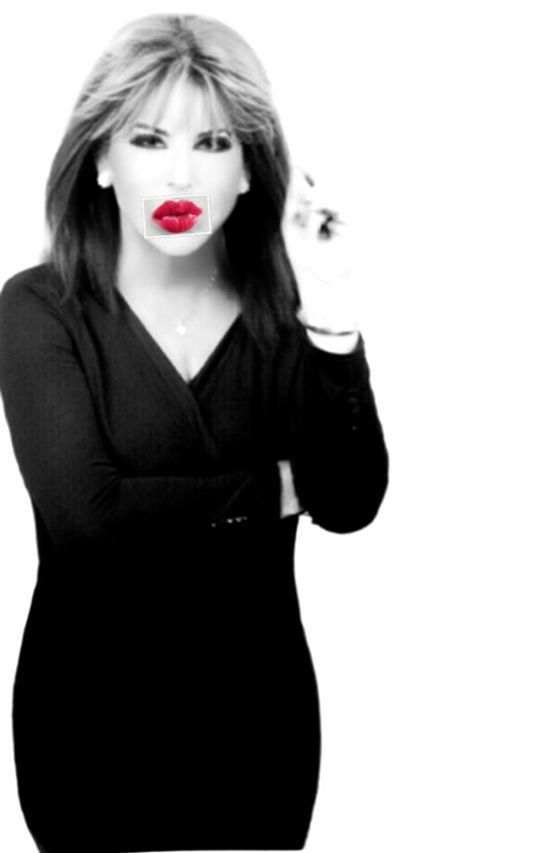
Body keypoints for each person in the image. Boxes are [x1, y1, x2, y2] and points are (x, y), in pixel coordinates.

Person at [0, 13, 388, 853]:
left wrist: (330, 309)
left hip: (259, 738)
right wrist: (279, 485)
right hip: (85, 734)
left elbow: (350, 499)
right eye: (148, 139)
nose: (181, 172)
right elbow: (90, 524)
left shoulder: (286, 315)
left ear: (249, 170)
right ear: (101, 159)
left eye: (213, 143)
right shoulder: (38, 309)